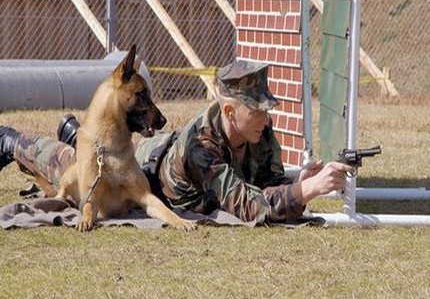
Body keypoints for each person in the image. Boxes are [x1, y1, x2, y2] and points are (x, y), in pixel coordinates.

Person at [0, 60, 352, 224]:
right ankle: (10, 140)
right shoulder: (203, 147)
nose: (265, 117)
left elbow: (267, 186)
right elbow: (247, 206)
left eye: (265, 109)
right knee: (66, 161)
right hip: (147, 166)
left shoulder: (259, 130)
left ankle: (73, 130)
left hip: (162, 154)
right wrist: (308, 191)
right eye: (255, 109)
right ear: (229, 112)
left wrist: (298, 183)